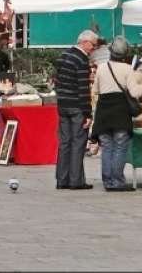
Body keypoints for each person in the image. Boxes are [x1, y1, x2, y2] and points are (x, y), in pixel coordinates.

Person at [90, 35, 142, 192]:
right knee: (120, 147)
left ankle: (108, 181)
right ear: (124, 54)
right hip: (120, 114)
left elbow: (95, 90)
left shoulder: (102, 68)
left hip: (103, 113)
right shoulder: (128, 69)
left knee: (107, 147)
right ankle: (117, 181)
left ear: (110, 52)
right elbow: (135, 92)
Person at [54, 29, 97, 190]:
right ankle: (75, 181)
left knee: (64, 143)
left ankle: (62, 179)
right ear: (84, 42)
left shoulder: (63, 55)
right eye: (92, 45)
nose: (93, 49)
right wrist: (88, 113)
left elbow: (57, 82)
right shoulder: (81, 60)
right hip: (77, 107)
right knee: (78, 143)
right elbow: (83, 89)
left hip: (63, 105)